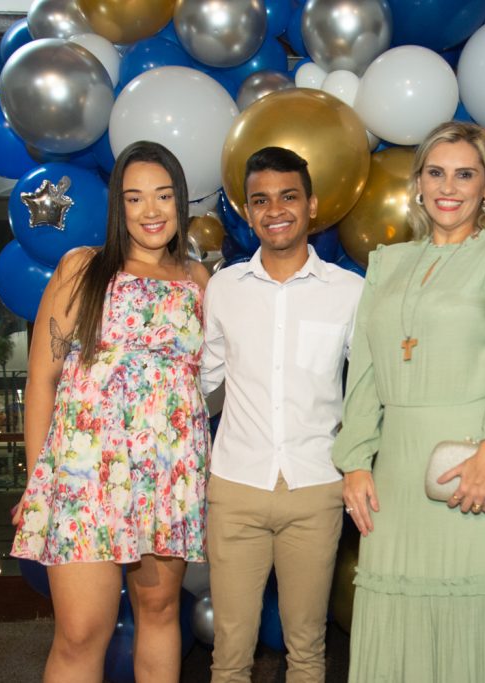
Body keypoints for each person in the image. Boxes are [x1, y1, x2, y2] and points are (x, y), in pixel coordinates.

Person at [334, 121, 485, 682]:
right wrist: (356, 460)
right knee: (400, 619)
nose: (448, 186)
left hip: (475, 465)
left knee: (475, 619)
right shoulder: (387, 263)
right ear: (418, 183)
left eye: (465, 173)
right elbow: (363, 372)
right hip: (397, 473)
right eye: (436, 172)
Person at [11, 140, 211, 683]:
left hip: (166, 474)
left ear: (180, 202)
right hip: (84, 477)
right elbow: (42, 379)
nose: (151, 211)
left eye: (164, 196)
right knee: (80, 632)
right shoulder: (83, 268)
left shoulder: (198, 281)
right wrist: (39, 484)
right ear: (117, 208)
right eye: (135, 198)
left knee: (160, 611)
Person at [200, 146, 363, 683]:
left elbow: (368, 388)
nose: (275, 210)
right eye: (261, 200)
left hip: (315, 488)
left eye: (288, 196)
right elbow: (201, 383)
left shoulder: (350, 293)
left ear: (312, 204)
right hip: (235, 489)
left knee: (308, 651)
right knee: (229, 656)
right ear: (248, 212)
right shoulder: (223, 289)